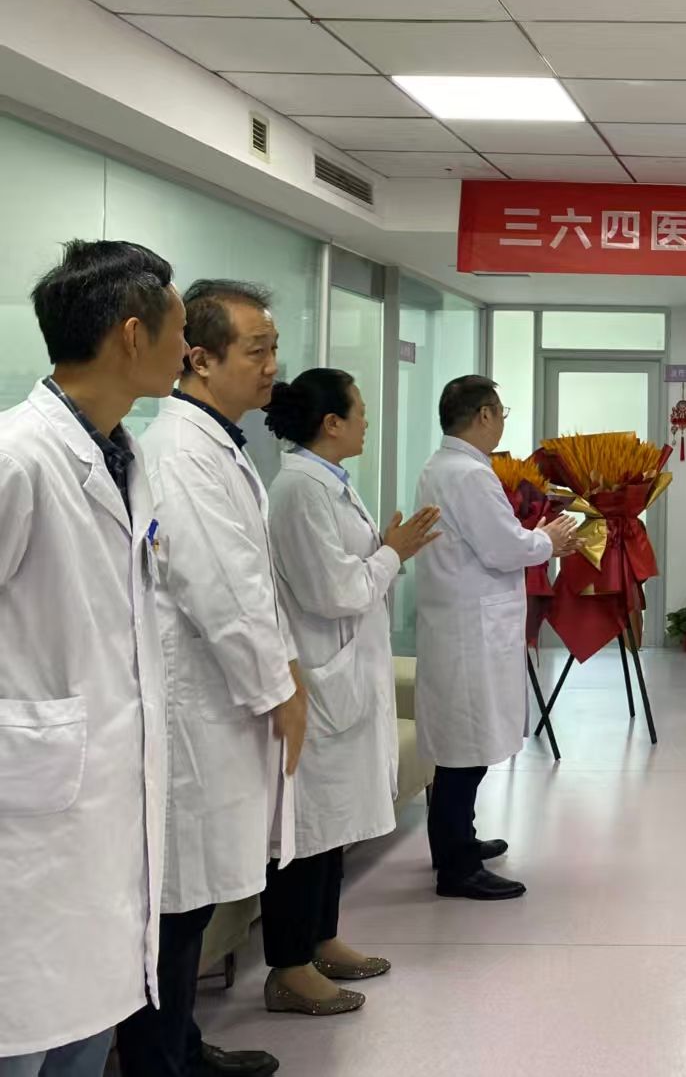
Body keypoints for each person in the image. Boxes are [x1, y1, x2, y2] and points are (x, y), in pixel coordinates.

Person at [0, 243, 184, 1077]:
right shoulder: (18, 458)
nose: (188, 349)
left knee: (81, 1024)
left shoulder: (123, 456)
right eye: (179, 330)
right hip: (30, 814)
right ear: (133, 335)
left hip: (97, 820)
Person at [118, 280, 308, 1077]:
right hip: (198, 707)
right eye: (257, 350)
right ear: (199, 358)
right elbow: (221, 588)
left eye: (273, 348)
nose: (272, 366)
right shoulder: (183, 453)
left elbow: (246, 583)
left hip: (217, 703)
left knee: (191, 901)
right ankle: (161, 1062)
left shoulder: (216, 443)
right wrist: (278, 688)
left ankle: (183, 1047)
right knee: (176, 905)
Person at [260, 370, 442, 1015]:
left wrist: (386, 549)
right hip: (319, 678)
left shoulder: (327, 482)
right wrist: (392, 552)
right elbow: (333, 590)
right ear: (331, 423)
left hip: (346, 674)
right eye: (359, 410)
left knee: (332, 824)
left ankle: (323, 938)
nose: (366, 420)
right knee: (307, 828)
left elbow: (353, 572)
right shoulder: (297, 490)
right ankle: (289, 966)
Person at [414, 376, 579, 901]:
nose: (502, 422)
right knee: (465, 750)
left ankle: (455, 841)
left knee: (462, 745)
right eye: (501, 412)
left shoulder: (443, 466)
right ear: (483, 415)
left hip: (463, 621)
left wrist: (534, 539)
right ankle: (457, 867)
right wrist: (549, 539)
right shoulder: (469, 475)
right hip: (471, 629)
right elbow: (504, 548)